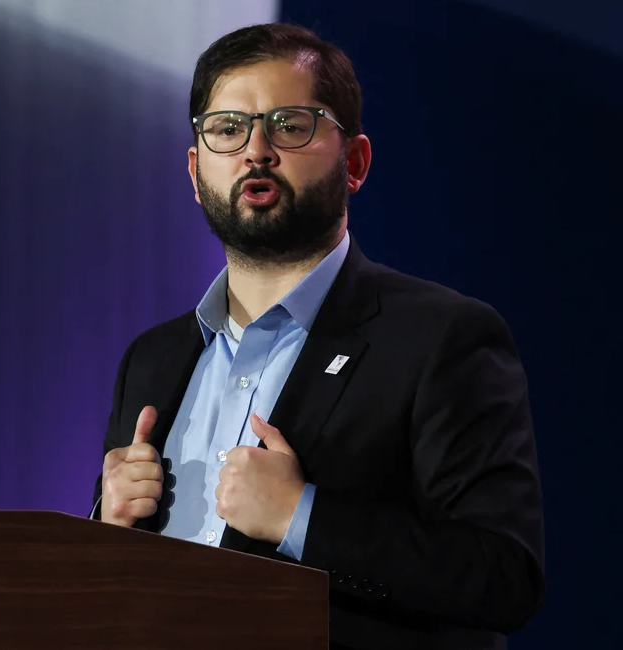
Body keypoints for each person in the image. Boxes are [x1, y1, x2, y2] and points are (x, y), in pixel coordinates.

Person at [89, 22, 544, 650]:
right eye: (228, 129)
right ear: (196, 173)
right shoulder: (154, 356)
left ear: (354, 162)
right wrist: (103, 525)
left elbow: (502, 576)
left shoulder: (441, 337)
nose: (256, 152)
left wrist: (300, 515)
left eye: (290, 125)